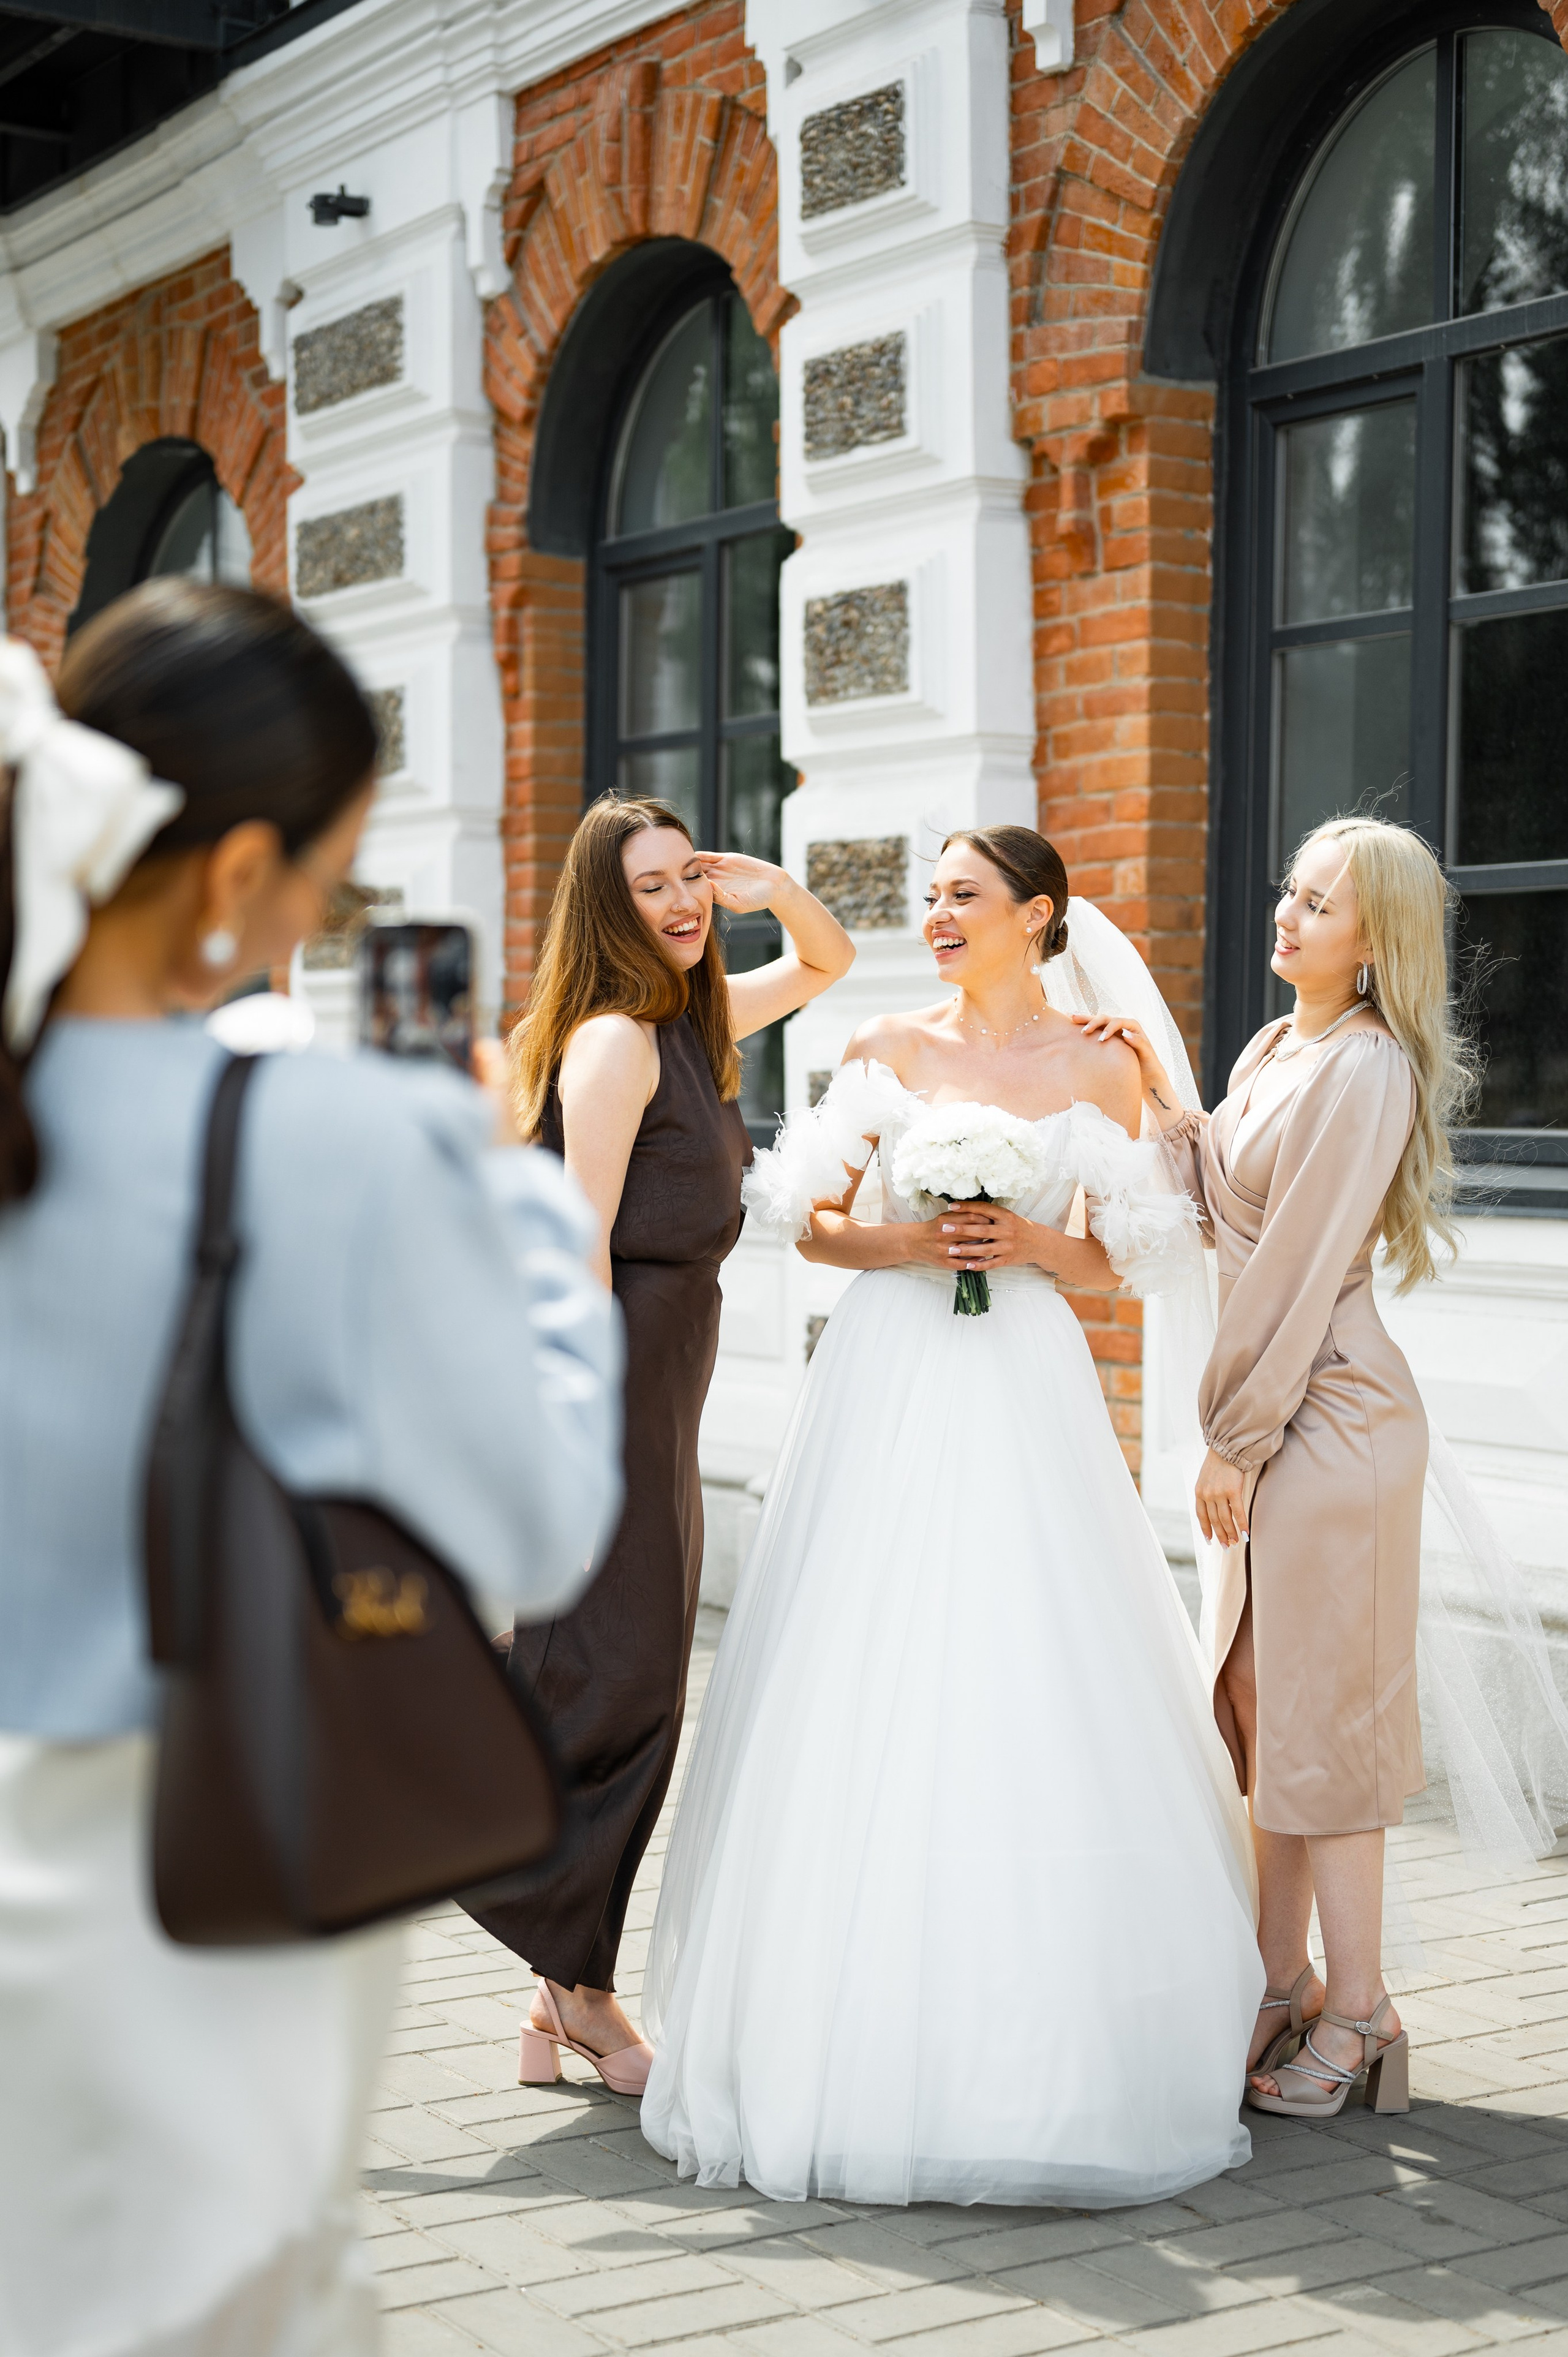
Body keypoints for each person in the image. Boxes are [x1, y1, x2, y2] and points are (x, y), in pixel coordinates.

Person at [0, 583, 620, 2356]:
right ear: (232, 877)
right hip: (207, 1870)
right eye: (320, 879)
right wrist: (506, 1199)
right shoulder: (342, 1142)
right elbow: (538, 1521)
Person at [639, 825, 1264, 2207]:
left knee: (1031, 1654)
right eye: (927, 895)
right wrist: (907, 1244)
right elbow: (805, 1223)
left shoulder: (1100, 1061)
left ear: (1035, 915)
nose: (934, 914)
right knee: (872, 1655)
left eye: (961, 895)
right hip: (891, 1372)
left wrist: (1043, 1243)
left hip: (1025, 1376)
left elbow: (1144, 1251)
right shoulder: (891, 1047)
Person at [467, 795, 853, 2095]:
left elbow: (826, 962)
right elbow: (572, 1246)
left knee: (614, 1670)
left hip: (662, 1380)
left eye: (688, 878)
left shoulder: (690, 1024)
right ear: (601, 905)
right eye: (650, 887)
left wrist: (768, 887)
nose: (682, 905)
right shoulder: (615, 1045)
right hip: (610, 1383)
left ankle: (556, 2002)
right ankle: (564, 1974)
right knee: (616, 1677)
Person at [1082, 816, 1461, 2119]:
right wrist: (1146, 1078)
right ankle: (1273, 1973)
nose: (1286, 917)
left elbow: (1293, 1270)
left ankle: (1357, 2011)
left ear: (1374, 943)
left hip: (1329, 1421)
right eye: (1286, 890)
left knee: (1326, 1726)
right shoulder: (1267, 1048)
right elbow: (1213, 1207)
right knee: (1251, 1700)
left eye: (1317, 905)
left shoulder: (1361, 1071)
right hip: (1278, 1415)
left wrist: (1232, 1442)